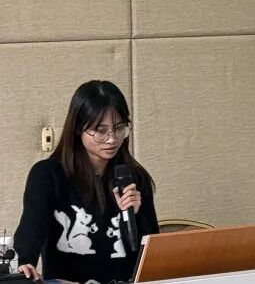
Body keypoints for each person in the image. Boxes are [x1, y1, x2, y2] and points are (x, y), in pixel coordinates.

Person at [14, 80, 159, 283]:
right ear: (78, 128)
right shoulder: (48, 175)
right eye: (100, 131)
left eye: (119, 128)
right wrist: (25, 262)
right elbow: (31, 229)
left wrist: (135, 215)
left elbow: (152, 255)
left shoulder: (134, 178)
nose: (112, 139)